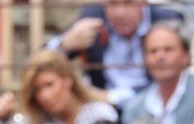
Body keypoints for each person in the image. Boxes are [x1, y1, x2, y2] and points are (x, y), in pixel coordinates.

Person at [47, 0, 186, 107]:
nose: (120, 13)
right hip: (102, 113)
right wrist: (64, 45)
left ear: (144, 2)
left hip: (152, 108)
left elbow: (178, 79)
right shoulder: (92, 17)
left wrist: (111, 97)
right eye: (112, 3)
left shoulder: (167, 20)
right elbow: (39, 63)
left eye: (128, 3)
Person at [120, 22, 194, 124]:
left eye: (168, 49)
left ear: (187, 56)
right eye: (153, 51)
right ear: (144, 60)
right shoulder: (133, 107)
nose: (160, 57)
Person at [0, 49, 117, 124]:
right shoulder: (38, 120)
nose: (44, 96)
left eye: (49, 85)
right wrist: (4, 119)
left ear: (68, 80)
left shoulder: (100, 114)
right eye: (37, 90)